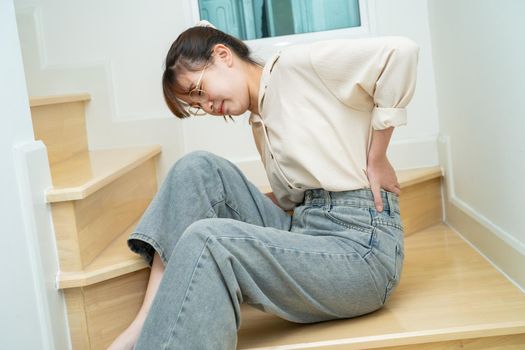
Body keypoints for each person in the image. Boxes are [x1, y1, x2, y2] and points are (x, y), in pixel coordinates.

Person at [108, 20, 419, 350]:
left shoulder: (296, 65)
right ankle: (145, 320)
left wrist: (378, 156)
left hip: (360, 247)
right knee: (195, 168)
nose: (208, 107)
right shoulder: (260, 118)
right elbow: (295, 201)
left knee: (209, 239)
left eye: (199, 92)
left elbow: (400, 53)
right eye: (197, 106)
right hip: (305, 229)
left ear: (223, 55)